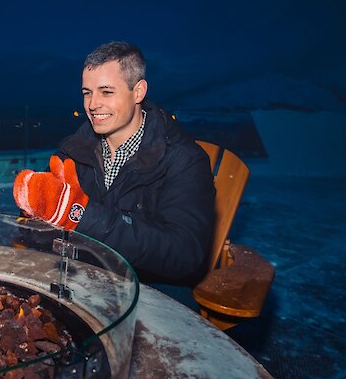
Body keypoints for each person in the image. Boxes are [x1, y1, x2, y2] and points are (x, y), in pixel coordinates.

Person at [13, 41, 215, 286]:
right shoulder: (74, 148)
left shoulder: (185, 160)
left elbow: (183, 255)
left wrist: (79, 213)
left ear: (138, 92)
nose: (92, 104)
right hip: (79, 281)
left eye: (106, 92)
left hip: (149, 291)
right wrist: (36, 208)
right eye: (87, 92)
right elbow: (38, 229)